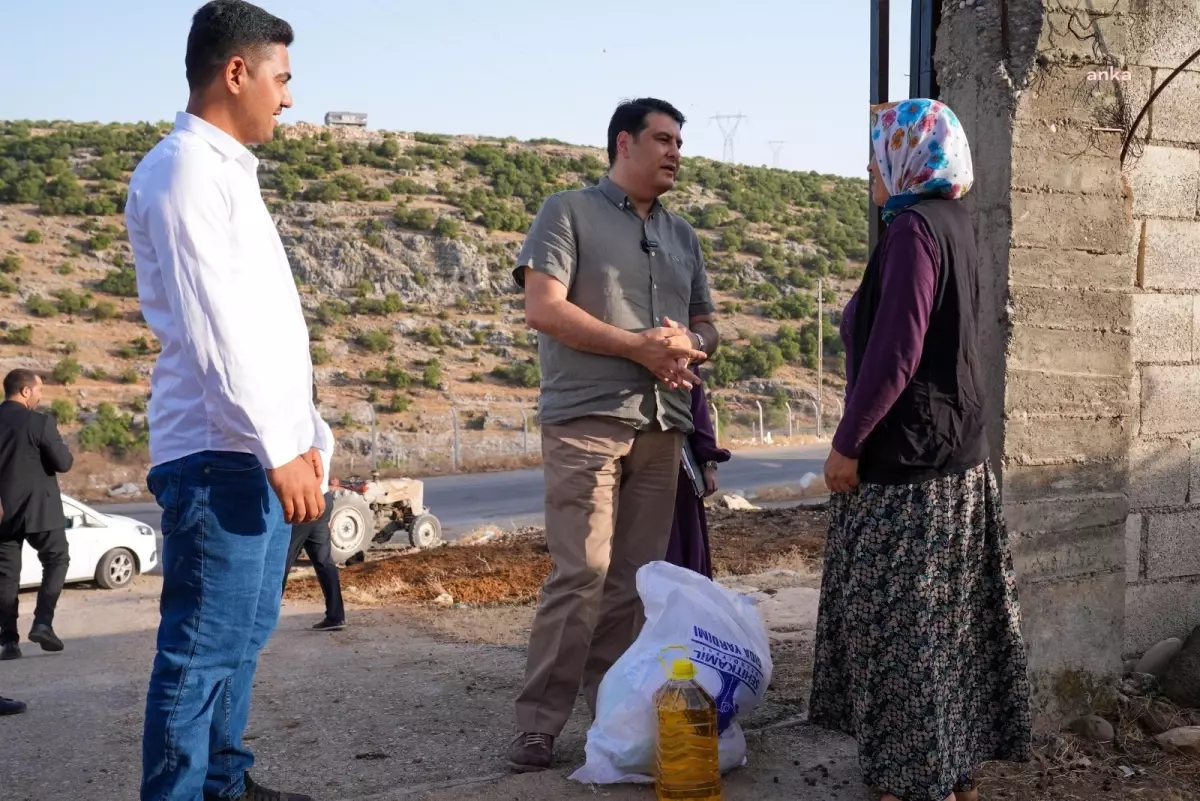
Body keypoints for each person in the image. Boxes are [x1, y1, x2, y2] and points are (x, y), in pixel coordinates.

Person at [125, 2, 331, 799]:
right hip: (221, 453)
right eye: (281, 79)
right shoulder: (183, 171)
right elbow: (215, 331)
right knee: (201, 650)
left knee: (239, 642)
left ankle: (224, 784)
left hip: (257, 449)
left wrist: (309, 435)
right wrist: (278, 444)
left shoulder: (228, 175)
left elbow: (269, 333)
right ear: (236, 72)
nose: (287, 98)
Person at [808, 98, 1032, 801]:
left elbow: (897, 351)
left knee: (899, 637)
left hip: (906, 473)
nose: (870, 165)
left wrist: (847, 444)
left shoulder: (910, 230)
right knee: (943, 635)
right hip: (953, 464)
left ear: (908, 156)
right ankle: (952, 775)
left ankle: (904, 784)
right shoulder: (954, 223)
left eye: (878, 150)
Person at [508, 97, 717, 772]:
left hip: (664, 428)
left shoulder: (684, 235)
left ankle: (612, 718)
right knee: (583, 574)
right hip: (588, 422)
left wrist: (689, 341)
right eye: (662, 138)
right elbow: (543, 308)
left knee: (631, 583)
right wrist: (638, 347)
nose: (675, 151)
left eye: (680, 141)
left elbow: (709, 328)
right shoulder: (565, 211)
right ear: (623, 144)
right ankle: (538, 722)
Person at [0, 369, 73, 660]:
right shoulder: (39, 422)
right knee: (57, 560)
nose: (41, 395)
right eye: (39, 389)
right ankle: (43, 622)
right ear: (26, 391)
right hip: (40, 510)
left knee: (5, 577)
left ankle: (8, 642)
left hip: (3, 512)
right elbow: (63, 462)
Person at [664, 382, 730, 578]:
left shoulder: (682, 355)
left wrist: (709, 463)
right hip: (625, 462)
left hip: (677, 467)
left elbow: (697, 408)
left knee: (681, 541)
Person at [282, 485, 345, 631]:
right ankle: (336, 617)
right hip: (322, 499)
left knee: (281, 561)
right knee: (324, 561)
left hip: (303, 502)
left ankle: (263, 617)